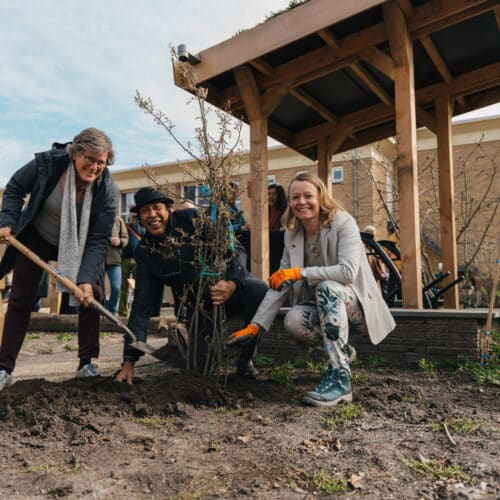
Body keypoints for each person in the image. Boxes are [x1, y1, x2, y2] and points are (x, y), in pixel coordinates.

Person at [229, 173, 395, 407]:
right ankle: (342, 352)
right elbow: (280, 283)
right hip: (324, 309)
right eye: (295, 197)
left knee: (328, 288)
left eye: (308, 195)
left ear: (321, 198)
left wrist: (301, 272)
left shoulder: (342, 222)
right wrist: (255, 325)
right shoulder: (292, 234)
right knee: (293, 320)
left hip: (355, 308)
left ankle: (340, 379)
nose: (301, 202)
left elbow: (347, 272)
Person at [0, 128, 119, 391]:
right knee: (21, 298)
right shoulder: (49, 164)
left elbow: (99, 239)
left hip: (79, 244)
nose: (95, 166)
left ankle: (86, 363)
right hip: (37, 236)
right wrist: (7, 221)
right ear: (75, 152)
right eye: (90, 158)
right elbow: (15, 188)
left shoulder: (108, 190)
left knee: (93, 295)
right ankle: (4, 368)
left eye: (101, 162)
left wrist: (86, 280)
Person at [115, 187, 268, 384]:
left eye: (156, 208)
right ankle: (203, 355)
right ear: (140, 217)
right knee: (199, 371)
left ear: (168, 209)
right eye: (145, 211)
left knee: (259, 290)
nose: (152, 215)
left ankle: (245, 361)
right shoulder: (146, 252)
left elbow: (234, 249)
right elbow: (141, 307)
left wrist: (232, 283)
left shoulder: (192, 220)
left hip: (228, 289)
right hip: (200, 307)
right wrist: (129, 361)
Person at [117, 209, 145, 317]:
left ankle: (137, 312)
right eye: (132, 216)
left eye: (135, 216)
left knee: (138, 287)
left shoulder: (142, 228)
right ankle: (123, 312)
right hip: (125, 260)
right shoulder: (125, 227)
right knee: (123, 287)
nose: (133, 218)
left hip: (138, 261)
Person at [104, 215, 128, 315]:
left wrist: (120, 242)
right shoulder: (95, 215)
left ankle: (111, 312)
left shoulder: (118, 220)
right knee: (99, 289)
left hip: (115, 260)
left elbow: (126, 238)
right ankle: (102, 311)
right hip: (98, 259)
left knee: (116, 288)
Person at [362, 225, 388, 292]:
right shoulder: (364, 248)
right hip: (369, 278)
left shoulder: (372, 247)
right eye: (373, 236)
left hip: (374, 278)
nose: (374, 238)